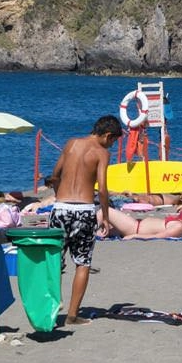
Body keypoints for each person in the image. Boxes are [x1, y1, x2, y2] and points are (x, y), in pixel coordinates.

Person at [54, 116, 120, 326]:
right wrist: (106, 218)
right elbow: (101, 188)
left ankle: (49, 311)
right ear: (108, 135)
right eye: (114, 141)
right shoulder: (102, 153)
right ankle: (72, 315)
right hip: (83, 211)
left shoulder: (71, 143)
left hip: (60, 208)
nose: (113, 145)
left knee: (53, 261)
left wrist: (59, 196)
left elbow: (55, 175)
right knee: (82, 263)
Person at [100, 202, 182, 239]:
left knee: (104, 211)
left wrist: (134, 236)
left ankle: (82, 230)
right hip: (135, 226)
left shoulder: (181, 227)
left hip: (135, 228)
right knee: (102, 232)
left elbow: (158, 236)